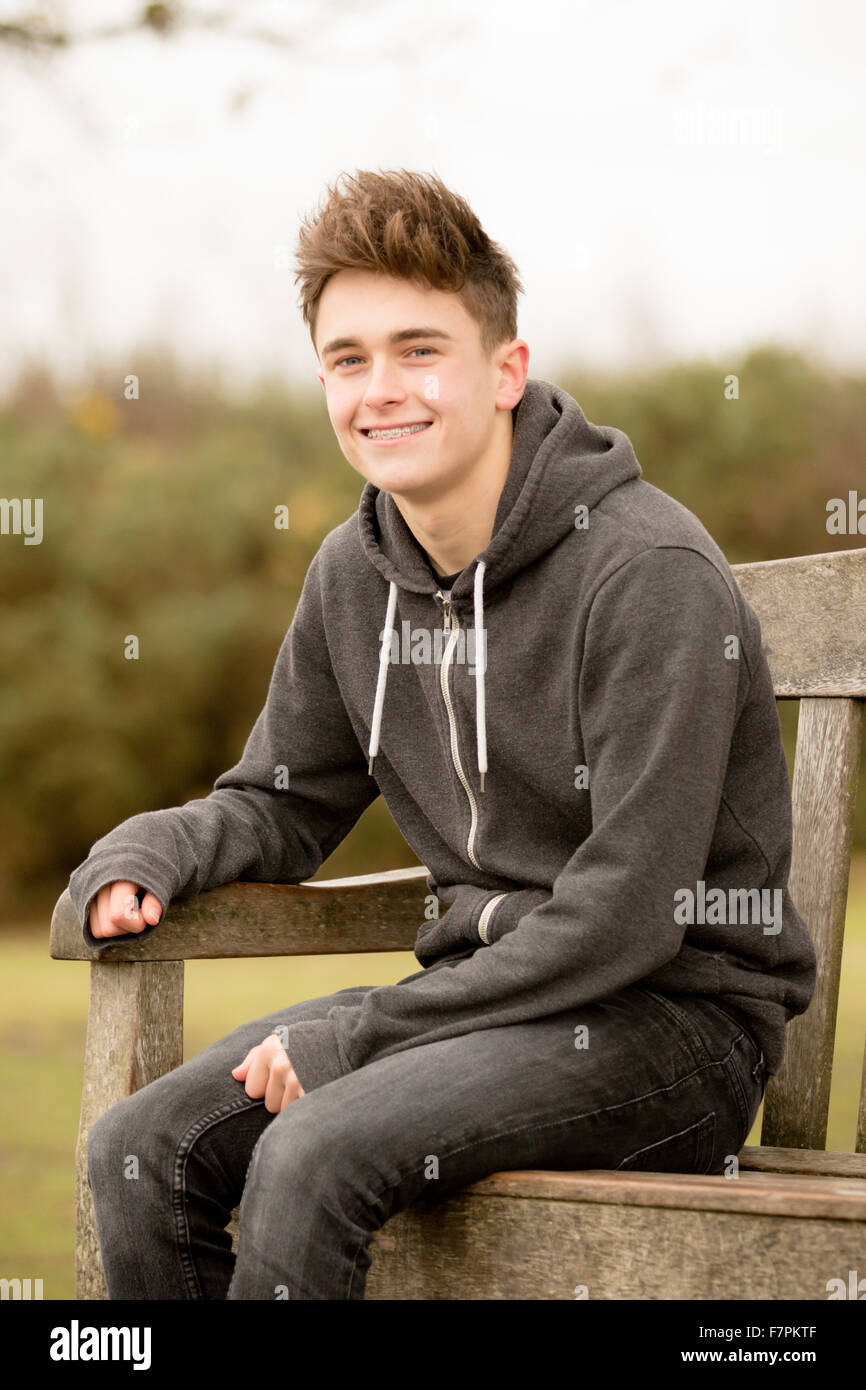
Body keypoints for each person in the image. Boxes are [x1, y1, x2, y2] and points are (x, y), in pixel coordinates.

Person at [71, 168, 816, 1300]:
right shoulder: (351, 576)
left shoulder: (644, 573)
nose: (382, 390)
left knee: (312, 1151)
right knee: (137, 1153)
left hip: (673, 1023)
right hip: (476, 1003)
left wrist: (364, 1035)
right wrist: (152, 852)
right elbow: (281, 798)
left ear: (504, 369)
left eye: (420, 349)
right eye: (347, 358)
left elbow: (627, 911)